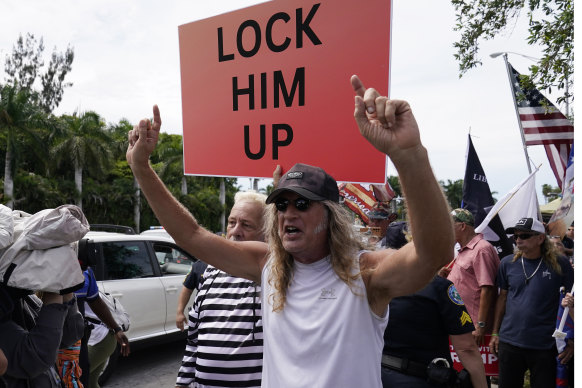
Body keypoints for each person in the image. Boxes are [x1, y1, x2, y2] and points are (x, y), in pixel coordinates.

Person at [126, 75, 455, 387]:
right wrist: (141, 168)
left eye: (302, 205)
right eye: (281, 205)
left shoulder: (364, 272)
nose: (288, 214)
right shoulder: (268, 266)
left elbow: (433, 254)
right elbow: (192, 236)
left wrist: (409, 155)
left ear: (331, 216)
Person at [175, 191, 266, 387]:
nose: (235, 231)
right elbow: (194, 340)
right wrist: (182, 383)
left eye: (247, 225)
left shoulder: (272, 275)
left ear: (267, 231)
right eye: (232, 222)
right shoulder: (210, 272)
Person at [381, 225, 487, 388]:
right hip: (420, 378)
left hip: (376, 375)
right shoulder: (440, 287)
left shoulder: (377, 284)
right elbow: (466, 348)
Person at [489, 217, 574, 388]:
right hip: (510, 342)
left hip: (545, 345)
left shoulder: (560, 264)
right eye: (516, 236)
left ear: (540, 238)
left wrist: (573, 340)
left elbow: (572, 303)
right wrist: (495, 333)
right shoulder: (507, 263)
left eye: (524, 236)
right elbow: (502, 298)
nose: (518, 239)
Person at [57, 268, 130, 388]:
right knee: (90, 382)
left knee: (76, 378)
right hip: (93, 339)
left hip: (98, 339)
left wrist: (117, 329)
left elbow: (96, 302)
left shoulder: (84, 272)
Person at [0, 286, 85, 388]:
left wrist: (66, 291)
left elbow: (69, 336)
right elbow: (36, 357)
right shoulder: (5, 301)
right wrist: (55, 290)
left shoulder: (26, 297)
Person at [442, 208, 499, 345]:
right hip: (461, 322)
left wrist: (480, 325)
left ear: (462, 226)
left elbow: (487, 288)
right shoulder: (463, 249)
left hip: (473, 326)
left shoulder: (481, 249)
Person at [175, 259, 208, 332]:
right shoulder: (198, 265)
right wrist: (180, 312)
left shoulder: (232, 264)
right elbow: (187, 290)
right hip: (203, 318)